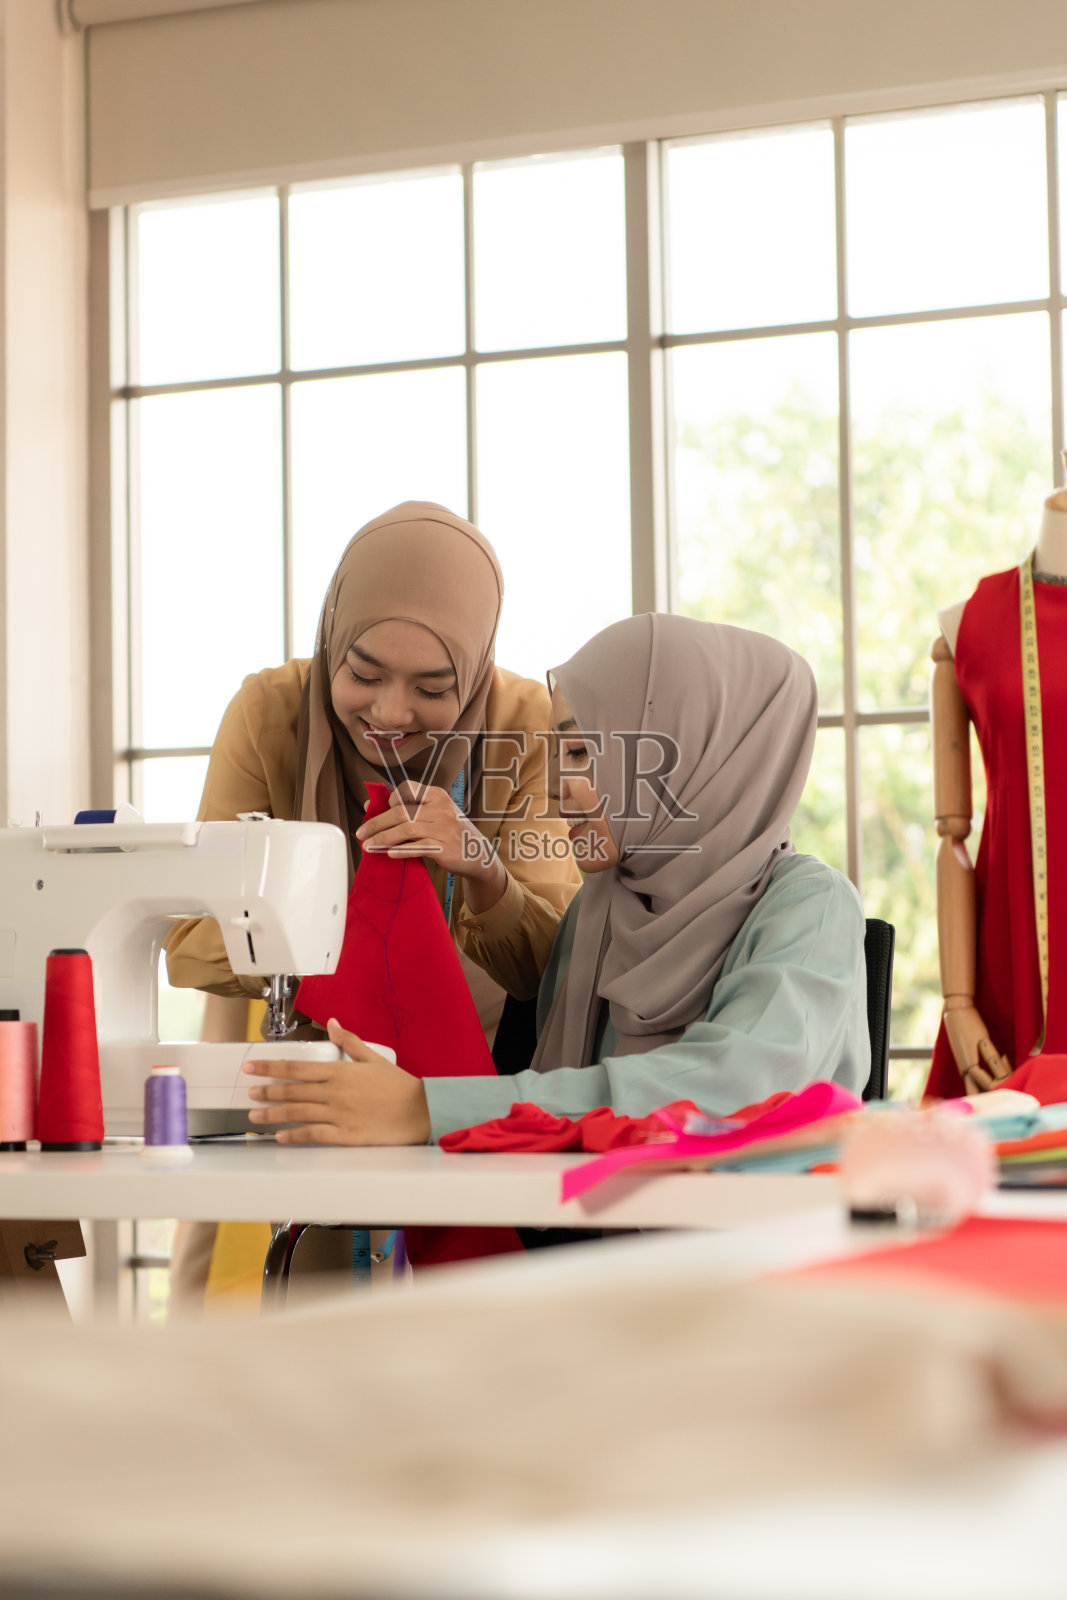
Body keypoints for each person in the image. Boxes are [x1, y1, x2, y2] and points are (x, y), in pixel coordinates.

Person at [242, 613, 869, 1145]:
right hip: (594, 1251)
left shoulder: (808, 907)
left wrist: (424, 1109)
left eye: (580, 753)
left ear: (693, 752)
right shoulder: (602, 907)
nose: (552, 788)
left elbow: (729, 1088)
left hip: (754, 1272)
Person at [165, 501, 581, 1022]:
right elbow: (191, 942)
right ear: (333, 642)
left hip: (486, 1067)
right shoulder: (267, 713)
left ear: (475, 675)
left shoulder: (529, 728)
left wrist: (484, 871)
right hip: (315, 1055)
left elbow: (555, 967)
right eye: (363, 676)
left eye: (433, 688)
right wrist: (351, 943)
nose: (389, 713)